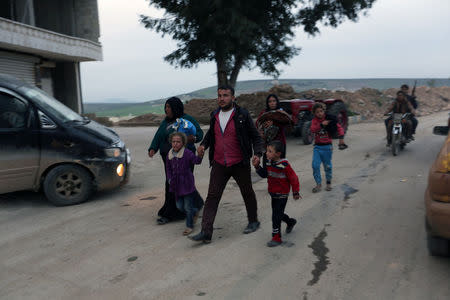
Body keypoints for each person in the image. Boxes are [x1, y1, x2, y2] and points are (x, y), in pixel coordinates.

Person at [189, 85, 265, 243]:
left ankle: (253, 221)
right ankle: (206, 232)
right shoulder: (215, 114)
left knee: (247, 192)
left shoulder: (242, 114)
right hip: (219, 163)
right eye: (219, 95)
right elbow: (211, 134)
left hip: (239, 162)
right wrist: (203, 145)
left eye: (225, 95)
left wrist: (258, 154)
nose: (221, 98)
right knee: (212, 196)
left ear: (233, 98)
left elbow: (256, 137)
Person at [148, 97, 204, 225]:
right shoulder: (165, 122)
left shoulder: (187, 119)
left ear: (176, 108)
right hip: (169, 159)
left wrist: (193, 138)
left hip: (185, 157)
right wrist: (153, 148)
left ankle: (172, 214)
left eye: (169, 107)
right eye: (166, 107)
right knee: (177, 182)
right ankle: (195, 203)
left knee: (177, 183)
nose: (166, 109)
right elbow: (158, 136)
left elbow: (199, 133)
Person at [252, 140, 300, 247]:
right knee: (279, 214)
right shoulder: (269, 162)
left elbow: (293, 178)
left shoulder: (284, 165)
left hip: (282, 195)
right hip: (273, 194)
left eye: (270, 151)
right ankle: (290, 222)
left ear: (278, 154)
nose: (266, 153)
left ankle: (276, 237)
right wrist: (257, 167)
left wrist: (295, 191)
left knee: (275, 216)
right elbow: (265, 174)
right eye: (267, 150)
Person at [166, 132, 204, 236]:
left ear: (183, 143)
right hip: (176, 185)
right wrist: (169, 179)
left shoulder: (187, 153)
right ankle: (195, 211)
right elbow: (168, 168)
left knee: (187, 207)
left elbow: (196, 161)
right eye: (173, 141)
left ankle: (189, 226)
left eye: (178, 142)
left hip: (187, 183)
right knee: (179, 206)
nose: (175, 144)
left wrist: (200, 155)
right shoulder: (169, 155)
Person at [310, 103, 347, 193]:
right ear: (314, 113)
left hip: (327, 147)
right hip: (317, 147)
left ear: (324, 111)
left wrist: (341, 138)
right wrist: (321, 125)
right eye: (317, 112)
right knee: (315, 165)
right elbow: (312, 129)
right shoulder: (314, 120)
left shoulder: (330, 119)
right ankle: (318, 184)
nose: (319, 113)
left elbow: (340, 128)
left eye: (321, 111)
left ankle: (328, 183)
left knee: (328, 166)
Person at [256, 94, 287, 158]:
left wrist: (274, 123)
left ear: (277, 102)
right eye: (270, 101)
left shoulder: (281, 113)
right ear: (267, 103)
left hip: (279, 143)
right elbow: (257, 123)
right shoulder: (264, 113)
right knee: (267, 164)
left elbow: (287, 124)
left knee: (279, 165)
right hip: (267, 145)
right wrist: (260, 131)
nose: (272, 103)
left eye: (274, 101)